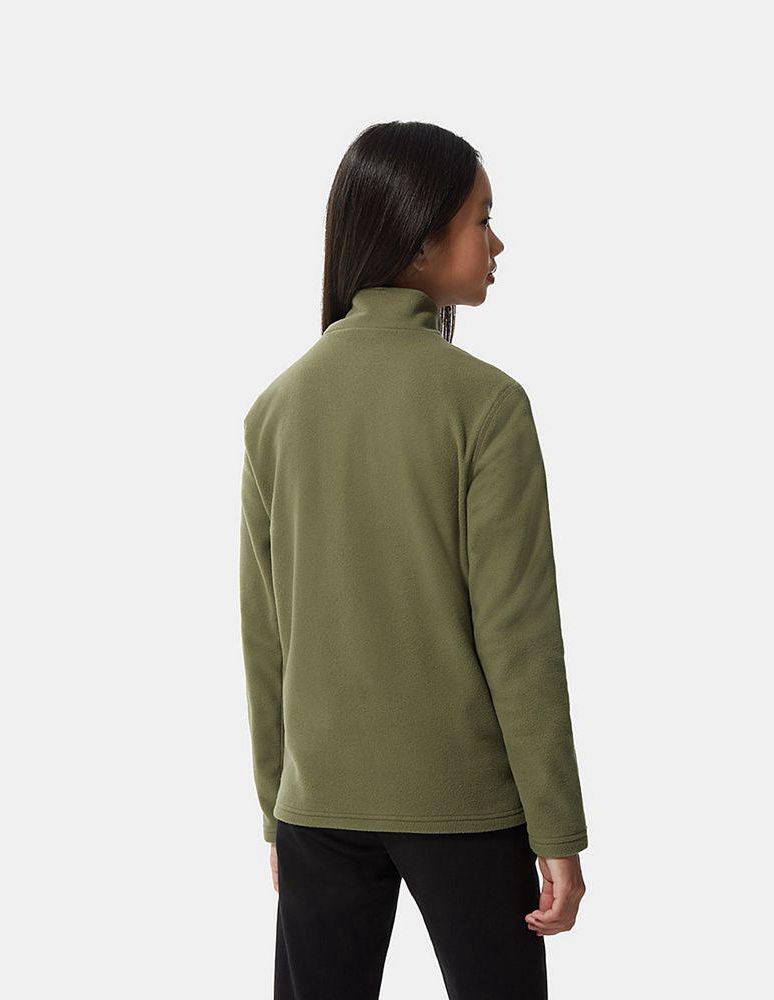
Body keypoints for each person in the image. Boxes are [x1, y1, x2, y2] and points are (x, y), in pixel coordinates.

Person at [240, 121, 588, 1000]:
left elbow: (265, 635)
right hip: (463, 803)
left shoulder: (276, 409)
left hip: (317, 805)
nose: (498, 243)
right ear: (421, 238)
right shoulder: (486, 405)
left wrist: (277, 807)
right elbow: (518, 636)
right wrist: (557, 831)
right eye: (483, 219)